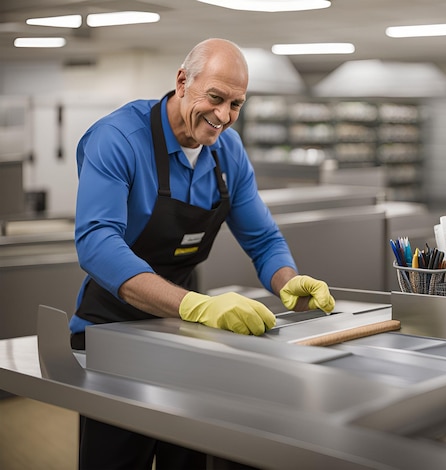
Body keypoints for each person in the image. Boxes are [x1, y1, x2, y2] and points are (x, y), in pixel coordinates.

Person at [69, 38, 335, 470]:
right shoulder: (118, 139)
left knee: (188, 455)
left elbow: (263, 240)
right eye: (215, 98)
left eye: (236, 104)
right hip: (113, 334)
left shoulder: (228, 152)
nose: (224, 117)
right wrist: (193, 305)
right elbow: (97, 244)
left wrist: (289, 281)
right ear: (182, 82)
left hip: (186, 334)